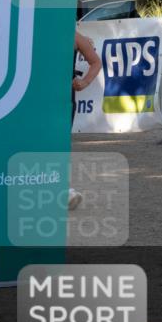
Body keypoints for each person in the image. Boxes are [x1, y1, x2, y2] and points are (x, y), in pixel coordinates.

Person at [71, 30, 102, 210]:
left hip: (63, 99)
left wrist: (84, 82)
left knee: (60, 142)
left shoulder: (73, 36)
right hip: (35, 96)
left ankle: (61, 187)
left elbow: (96, 62)